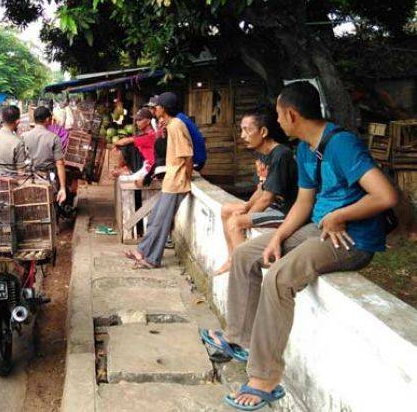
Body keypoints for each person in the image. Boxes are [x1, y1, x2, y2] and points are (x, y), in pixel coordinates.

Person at [202, 82, 398, 410]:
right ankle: (241, 340)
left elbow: (385, 195)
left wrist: (340, 216)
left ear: (292, 115)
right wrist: (278, 237)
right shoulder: (306, 148)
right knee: (246, 254)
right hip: (318, 228)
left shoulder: (342, 144)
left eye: (279, 115)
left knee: (280, 276)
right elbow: (304, 202)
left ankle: (265, 377)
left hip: (351, 239)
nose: (277, 122)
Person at [215, 106, 297, 275]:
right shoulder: (262, 153)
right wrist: (246, 207)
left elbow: (268, 198)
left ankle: (243, 269)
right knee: (226, 210)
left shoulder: (281, 154)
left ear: (264, 131)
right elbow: (262, 188)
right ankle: (232, 258)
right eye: (241, 130)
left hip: (286, 211)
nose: (243, 135)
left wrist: (247, 216)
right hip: (272, 206)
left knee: (236, 222)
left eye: (247, 130)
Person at [124, 92, 194, 268]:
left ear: (164, 108)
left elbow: (187, 156)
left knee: (161, 222)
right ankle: (142, 251)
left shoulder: (177, 126)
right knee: (156, 218)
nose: (154, 109)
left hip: (176, 183)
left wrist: (187, 178)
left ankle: (152, 259)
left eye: (156, 106)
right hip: (171, 181)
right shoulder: (171, 125)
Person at [22, 106, 67, 204]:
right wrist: (63, 188)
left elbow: (21, 160)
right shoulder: (54, 138)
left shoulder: (24, 136)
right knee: (50, 204)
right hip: (48, 178)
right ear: (47, 120)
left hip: (29, 177)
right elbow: (60, 163)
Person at [111, 108, 156, 181]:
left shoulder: (150, 135)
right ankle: (124, 168)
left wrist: (115, 144)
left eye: (140, 120)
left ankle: (123, 169)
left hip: (148, 165)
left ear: (148, 121)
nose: (137, 122)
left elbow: (126, 141)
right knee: (127, 145)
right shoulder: (144, 134)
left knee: (126, 146)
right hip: (142, 162)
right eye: (137, 120)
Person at [0, 106, 28, 176]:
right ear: (18, 122)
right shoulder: (18, 142)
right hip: (10, 183)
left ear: (2, 119)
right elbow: (21, 171)